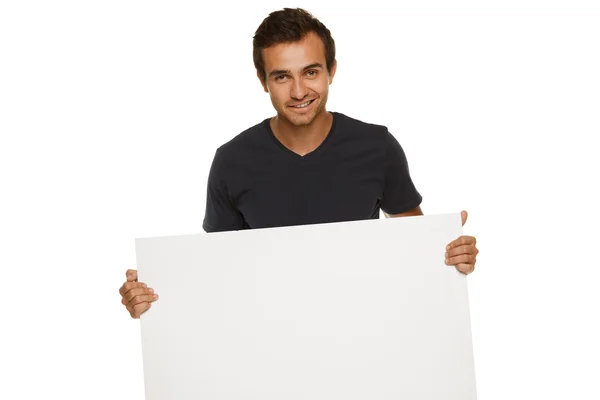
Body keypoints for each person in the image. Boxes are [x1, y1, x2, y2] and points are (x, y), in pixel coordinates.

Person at [119, 8, 479, 319]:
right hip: (270, 342)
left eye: (310, 72)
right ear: (263, 81)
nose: (299, 91)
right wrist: (152, 297)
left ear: (331, 70)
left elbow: (416, 252)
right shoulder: (232, 161)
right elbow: (218, 276)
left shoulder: (377, 147)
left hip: (365, 332)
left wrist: (451, 257)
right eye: (281, 76)